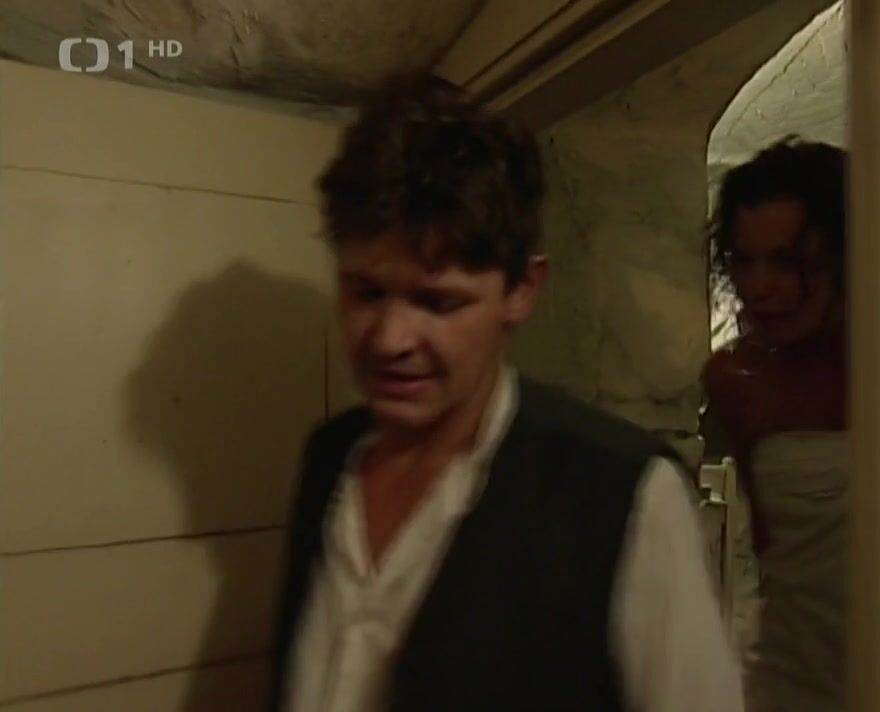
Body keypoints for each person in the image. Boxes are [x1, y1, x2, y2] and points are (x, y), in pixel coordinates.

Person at [268, 75, 742, 712]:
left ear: (522, 291)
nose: (389, 339)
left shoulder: (621, 497)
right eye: (367, 293)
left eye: (438, 302)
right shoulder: (330, 458)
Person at [702, 138, 848, 711]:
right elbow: (776, 560)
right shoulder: (738, 381)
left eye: (786, 261)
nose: (759, 287)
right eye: (744, 261)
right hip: (795, 688)